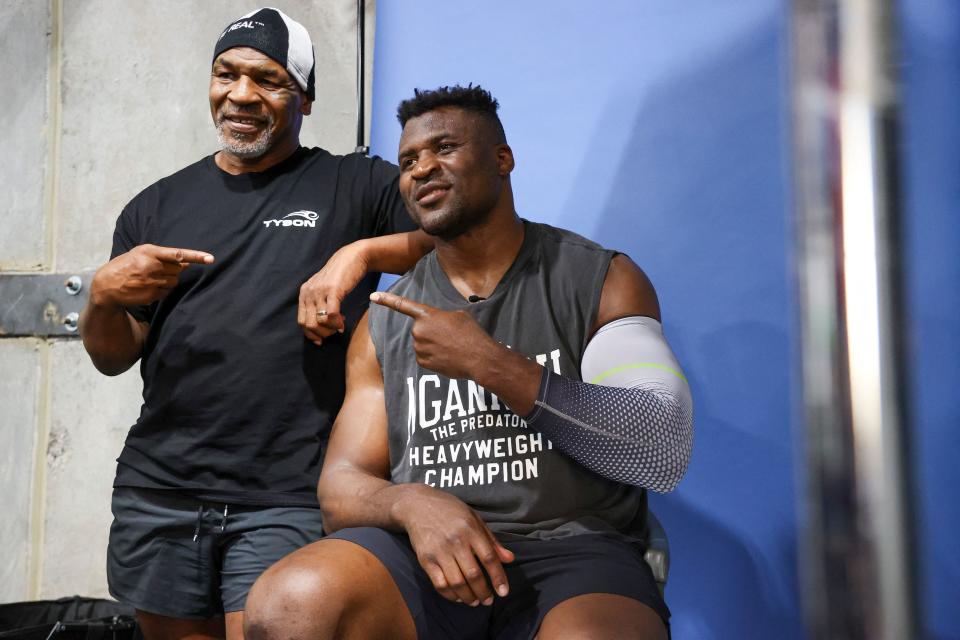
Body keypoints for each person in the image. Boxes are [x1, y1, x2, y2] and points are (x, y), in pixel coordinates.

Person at [244, 85, 694, 639]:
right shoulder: (384, 321)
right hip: (425, 552)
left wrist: (491, 363)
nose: (422, 168)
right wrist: (411, 503)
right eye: (408, 161)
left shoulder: (600, 280)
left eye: (445, 148)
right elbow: (340, 487)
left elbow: (660, 447)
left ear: (502, 159)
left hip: (572, 549)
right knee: (290, 604)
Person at [79, 8, 431, 640]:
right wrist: (102, 297)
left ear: (305, 98)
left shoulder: (355, 184)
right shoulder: (154, 205)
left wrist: (360, 253)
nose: (241, 95)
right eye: (226, 74)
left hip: (288, 493)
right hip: (159, 491)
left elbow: (452, 238)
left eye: (267, 80)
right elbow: (114, 356)